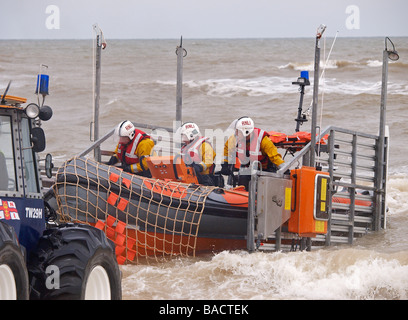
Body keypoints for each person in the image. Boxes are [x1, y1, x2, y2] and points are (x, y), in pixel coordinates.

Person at [221, 116, 285, 190]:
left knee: (265, 188)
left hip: (265, 169)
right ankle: (243, 198)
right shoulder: (235, 138)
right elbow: (227, 148)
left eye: (238, 131)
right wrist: (224, 164)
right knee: (243, 179)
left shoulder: (263, 140)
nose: (236, 133)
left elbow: (275, 157)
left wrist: (284, 169)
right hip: (247, 167)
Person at [179, 122, 217, 186]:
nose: (182, 137)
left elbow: (208, 160)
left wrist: (199, 166)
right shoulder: (184, 148)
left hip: (203, 177)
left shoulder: (204, 145)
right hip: (189, 176)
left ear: (190, 135)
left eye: (183, 135)